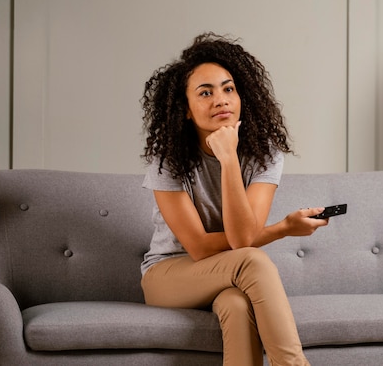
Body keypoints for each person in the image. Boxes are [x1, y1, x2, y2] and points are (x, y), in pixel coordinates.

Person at [140, 32, 328, 366]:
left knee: (237, 305)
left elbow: (242, 237)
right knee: (252, 261)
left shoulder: (264, 154)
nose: (221, 100)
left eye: (229, 89)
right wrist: (282, 227)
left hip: (227, 276)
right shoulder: (167, 159)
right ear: (184, 109)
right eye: (205, 93)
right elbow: (201, 247)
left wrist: (230, 157)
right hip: (169, 275)